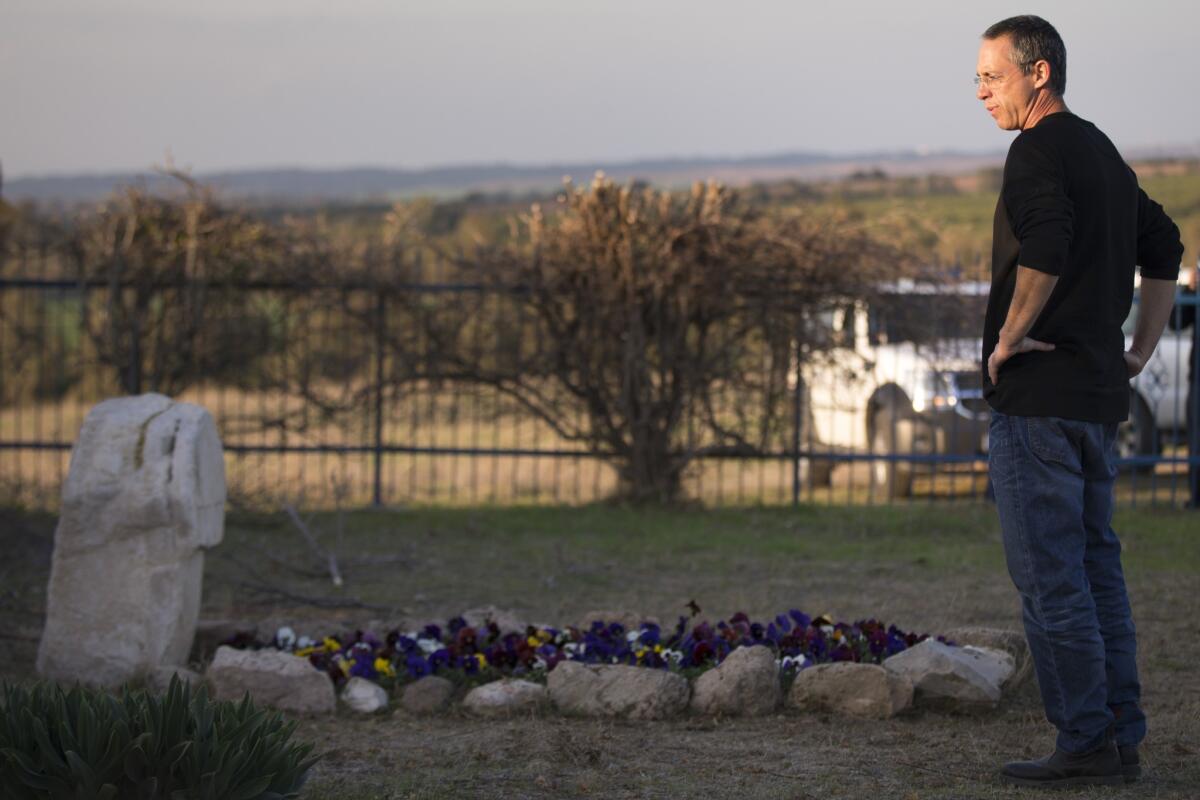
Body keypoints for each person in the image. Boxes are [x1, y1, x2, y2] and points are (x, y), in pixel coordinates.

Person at [976, 15, 1184, 788]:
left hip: (1040, 404)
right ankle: (1120, 738)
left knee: (1053, 580)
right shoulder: (1098, 149)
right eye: (977, 79)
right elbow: (1163, 245)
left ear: (1039, 74)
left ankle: (1087, 741)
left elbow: (1049, 242)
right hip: (1097, 398)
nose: (981, 92)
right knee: (1098, 573)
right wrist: (1137, 351)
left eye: (992, 77)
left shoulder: (1035, 149)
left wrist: (1007, 339)